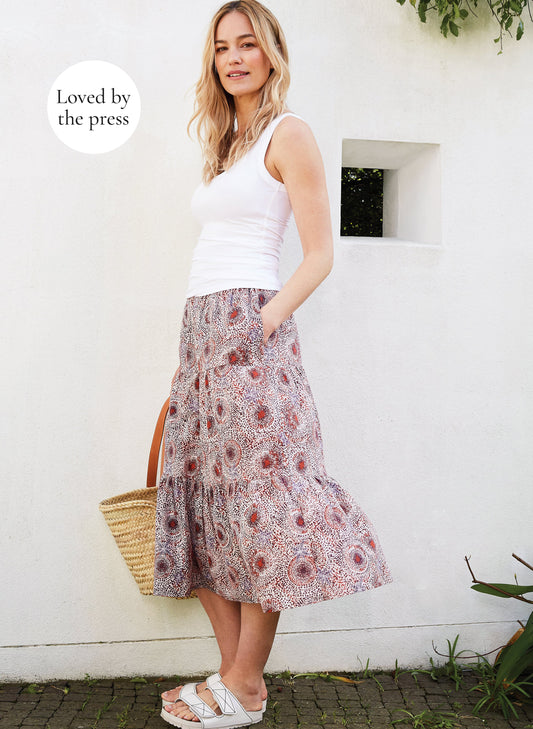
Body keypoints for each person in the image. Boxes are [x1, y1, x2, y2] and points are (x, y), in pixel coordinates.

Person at [154, 1, 392, 726]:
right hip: (200, 333)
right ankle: (240, 684)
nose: (233, 58)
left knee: (266, 504)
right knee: (198, 500)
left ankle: (241, 683)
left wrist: (258, 324)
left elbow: (319, 255)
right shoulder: (225, 143)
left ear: (270, 52)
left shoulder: (289, 133)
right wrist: (198, 352)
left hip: (251, 329)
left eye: (247, 44)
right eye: (222, 47)